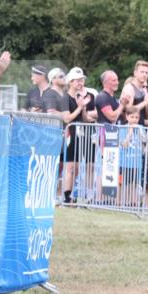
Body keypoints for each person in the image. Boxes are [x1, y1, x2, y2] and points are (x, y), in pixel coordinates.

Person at [61, 67, 97, 204]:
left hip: (86, 133)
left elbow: (86, 118)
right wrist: (80, 107)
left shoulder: (85, 96)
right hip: (72, 133)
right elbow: (67, 118)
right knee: (71, 166)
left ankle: (89, 196)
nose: (80, 83)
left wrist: (84, 109)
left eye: (82, 80)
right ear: (70, 82)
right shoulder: (65, 98)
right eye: (77, 80)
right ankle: (67, 196)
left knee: (89, 166)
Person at [122, 60, 148, 125]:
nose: (144, 75)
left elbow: (147, 116)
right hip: (129, 129)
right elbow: (129, 110)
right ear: (135, 73)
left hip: (141, 128)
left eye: (146, 73)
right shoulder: (129, 88)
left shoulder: (144, 90)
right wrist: (145, 102)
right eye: (142, 72)